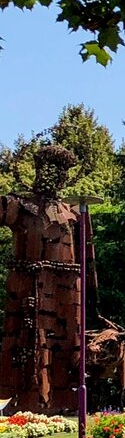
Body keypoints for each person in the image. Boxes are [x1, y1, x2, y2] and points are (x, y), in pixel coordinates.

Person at [0, 145, 82, 412]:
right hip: (31, 284)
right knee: (30, 339)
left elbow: (82, 252)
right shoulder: (21, 205)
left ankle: (60, 398)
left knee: (65, 342)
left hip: (66, 292)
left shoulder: (70, 211)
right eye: (52, 168)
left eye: (61, 171)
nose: (56, 176)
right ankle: (27, 397)